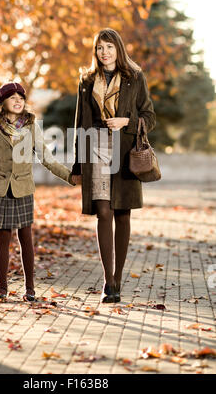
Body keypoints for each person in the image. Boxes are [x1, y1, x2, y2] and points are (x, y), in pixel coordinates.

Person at [0, 82, 76, 301]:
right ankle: (1, 288)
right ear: (2, 103)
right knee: (2, 239)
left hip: (22, 188)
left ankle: (29, 288)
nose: (17, 101)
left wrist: (69, 176)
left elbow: (46, 157)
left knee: (26, 238)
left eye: (21, 98)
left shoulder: (31, 125)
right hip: (2, 189)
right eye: (12, 98)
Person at [71, 28, 156, 303]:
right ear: (95, 52)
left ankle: (119, 278)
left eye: (109, 47)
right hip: (95, 147)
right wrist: (76, 165)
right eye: (99, 48)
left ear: (118, 49)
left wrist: (126, 122)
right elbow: (78, 124)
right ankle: (108, 279)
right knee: (103, 212)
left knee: (122, 213)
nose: (104, 52)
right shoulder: (86, 81)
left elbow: (149, 116)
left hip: (124, 148)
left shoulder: (135, 77)